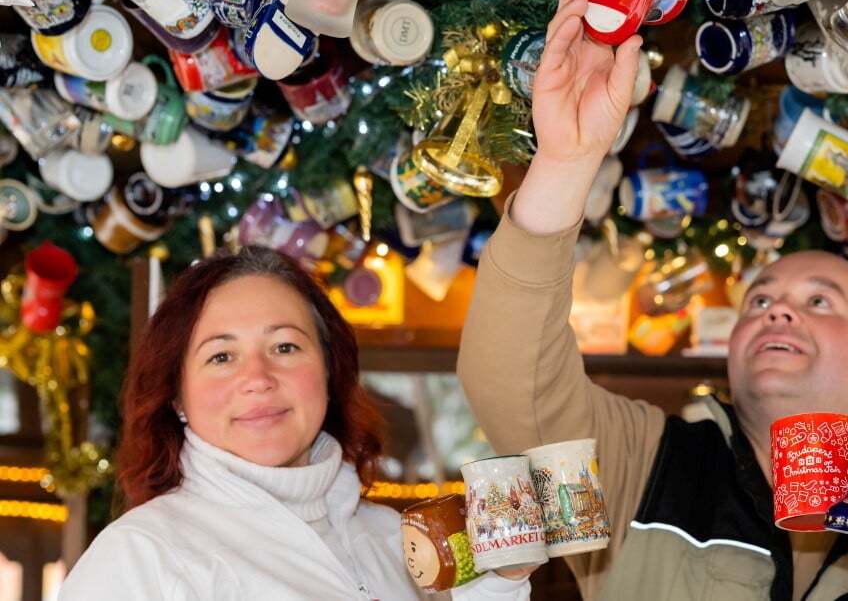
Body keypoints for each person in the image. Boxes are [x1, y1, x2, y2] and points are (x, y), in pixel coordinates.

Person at [455, 0, 848, 600]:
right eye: (761, 301)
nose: (778, 313)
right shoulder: (642, 461)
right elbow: (508, 382)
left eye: (819, 302)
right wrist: (566, 162)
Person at [58, 246, 531, 601]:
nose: (258, 379)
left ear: (329, 370)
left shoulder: (392, 539)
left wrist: (502, 586)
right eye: (221, 356)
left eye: (285, 347)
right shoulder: (142, 556)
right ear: (177, 396)